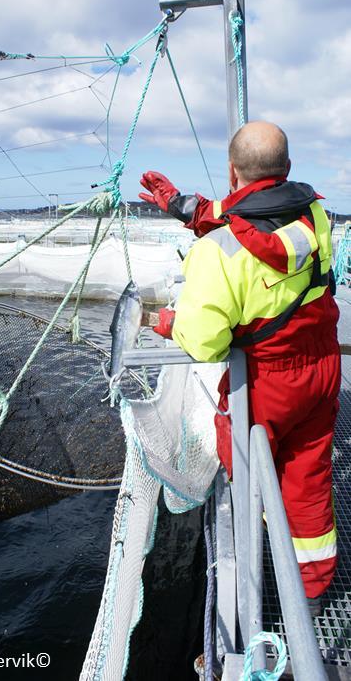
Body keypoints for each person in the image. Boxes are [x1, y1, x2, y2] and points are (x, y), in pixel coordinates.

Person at [139, 121, 340, 613]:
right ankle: (314, 589)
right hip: (323, 369)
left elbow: (206, 343)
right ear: (288, 169)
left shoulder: (217, 253)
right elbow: (257, 213)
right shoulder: (316, 216)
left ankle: (261, 543)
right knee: (310, 475)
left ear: (231, 172)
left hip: (267, 383)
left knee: (246, 464)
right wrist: (182, 206)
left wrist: (166, 322)